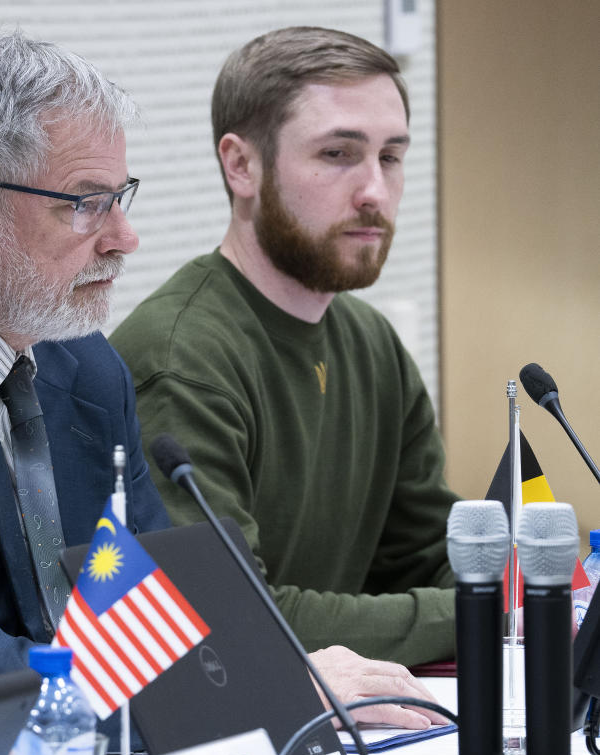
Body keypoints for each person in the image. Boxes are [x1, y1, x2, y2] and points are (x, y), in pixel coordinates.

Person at [0, 27, 443, 731]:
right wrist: (278, 683)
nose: (123, 237)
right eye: (84, 202)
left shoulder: (82, 361)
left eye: (120, 196)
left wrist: (245, 687)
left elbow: (162, 620)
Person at [110, 26, 458, 669]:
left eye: (390, 156)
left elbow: (430, 558)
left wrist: (530, 588)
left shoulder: (373, 343)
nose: (374, 192)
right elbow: (232, 617)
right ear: (241, 165)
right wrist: (471, 612)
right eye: (337, 154)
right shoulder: (181, 358)